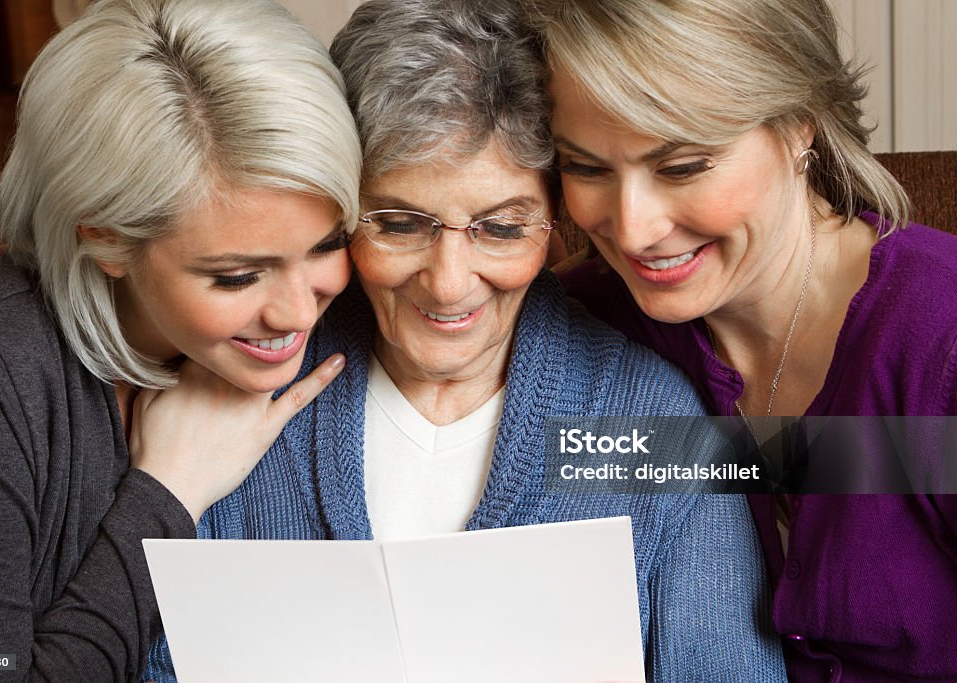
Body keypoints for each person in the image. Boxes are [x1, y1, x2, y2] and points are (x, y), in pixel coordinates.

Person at [144, 1, 786, 680]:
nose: (448, 285)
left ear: (556, 219)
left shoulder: (650, 418)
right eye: (398, 223)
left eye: (502, 227)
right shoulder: (239, 392)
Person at [0, 0, 360, 678]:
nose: (296, 312)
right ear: (103, 237)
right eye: (238, 275)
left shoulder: (351, 306)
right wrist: (168, 493)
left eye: (329, 243)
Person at [531, 0, 957, 680]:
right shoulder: (584, 328)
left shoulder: (941, 335)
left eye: (683, 166)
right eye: (587, 168)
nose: (633, 228)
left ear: (798, 126)